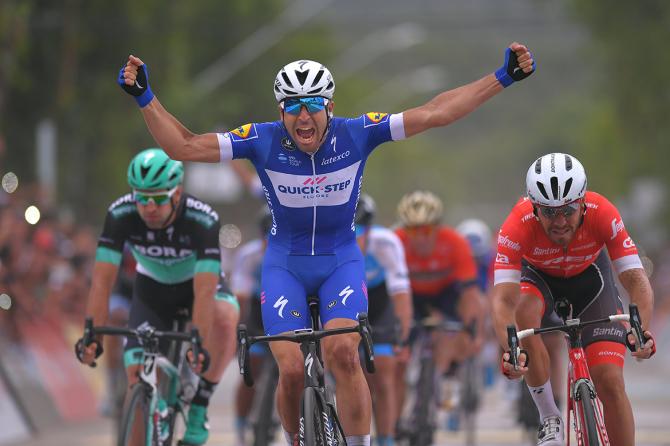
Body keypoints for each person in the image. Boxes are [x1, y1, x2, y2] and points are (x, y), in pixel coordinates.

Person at [117, 43, 535, 446]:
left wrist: (503, 77)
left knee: (344, 355)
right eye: (293, 106)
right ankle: (295, 438)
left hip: (340, 262)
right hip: (285, 265)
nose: (304, 115)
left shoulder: (357, 133)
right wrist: (144, 96)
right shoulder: (260, 140)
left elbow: (434, 113)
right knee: (292, 370)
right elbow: (184, 145)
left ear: (329, 107)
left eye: (313, 104)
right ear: (280, 111)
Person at [75, 148, 240, 446]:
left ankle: (199, 405)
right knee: (136, 384)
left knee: (226, 317)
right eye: (142, 197)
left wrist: (199, 340)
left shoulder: (202, 219)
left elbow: (204, 290)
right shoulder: (120, 213)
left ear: (177, 193)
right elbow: (102, 282)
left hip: (196, 290)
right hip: (151, 292)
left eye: (159, 198)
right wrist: (92, 334)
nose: (149, 206)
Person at [491, 152, 656, 446]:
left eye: (568, 210)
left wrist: (640, 330)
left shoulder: (603, 211)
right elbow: (503, 300)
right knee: (525, 310)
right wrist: (511, 349)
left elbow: (636, 280)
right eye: (549, 212)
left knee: (610, 383)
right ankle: (549, 416)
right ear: (534, 208)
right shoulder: (516, 225)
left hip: (590, 279)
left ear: (582, 203)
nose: (560, 221)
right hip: (538, 280)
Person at [394, 191, 486, 414]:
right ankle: (396, 423)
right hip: (411, 296)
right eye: (412, 230)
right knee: (397, 359)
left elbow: (471, 294)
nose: (419, 237)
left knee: (458, 331)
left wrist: (473, 331)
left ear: (437, 228)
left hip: (446, 293)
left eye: (425, 230)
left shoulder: (455, 242)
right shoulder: (395, 241)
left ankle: (449, 371)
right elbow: (387, 293)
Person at [354, 193, 412, 446]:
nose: (356, 242)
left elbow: (401, 294)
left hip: (379, 304)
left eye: (359, 235)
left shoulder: (386, 242)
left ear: (368, 230)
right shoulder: (328, 241)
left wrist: (403, 336)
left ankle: (387, 439)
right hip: (347, 303)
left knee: (385, 376)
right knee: (352, 375)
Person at [232, 206, 274, 444]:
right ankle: (240, 423)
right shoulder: (249, 255)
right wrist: (238, 334)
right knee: (251, 367)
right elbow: (241, 297)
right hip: (257, 310)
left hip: (286, 307)